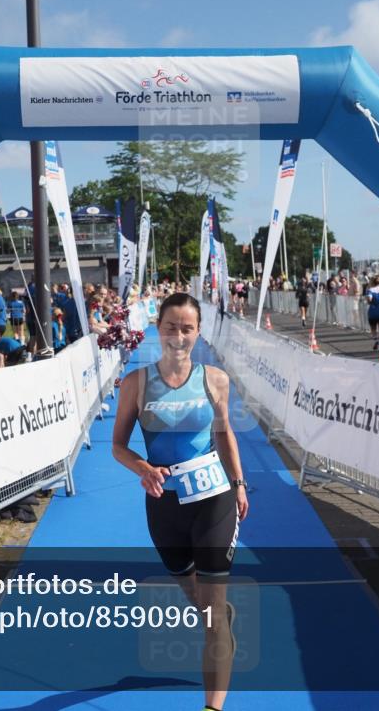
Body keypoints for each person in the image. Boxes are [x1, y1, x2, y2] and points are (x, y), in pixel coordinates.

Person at [111, 293, 248, 711]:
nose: (178, 336)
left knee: (211, 614)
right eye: (171, 327)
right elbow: (118, 446)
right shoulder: (136, 383)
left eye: (187, 328)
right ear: (158, 329)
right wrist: (143, 469)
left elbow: (224, 434)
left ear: (198, 332)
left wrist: (239, 483)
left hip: (213, 498)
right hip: (164, 504)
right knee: (201, 601)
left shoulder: (215, 379)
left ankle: (213, 706)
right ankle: (219, 619)